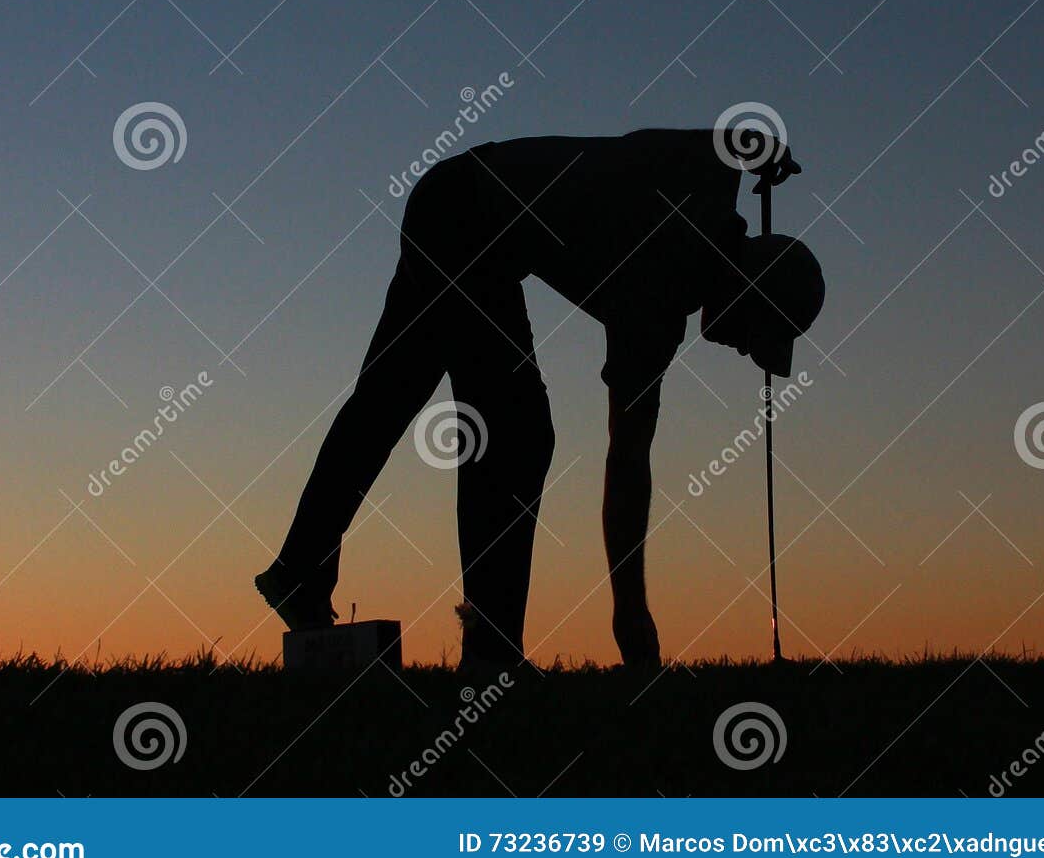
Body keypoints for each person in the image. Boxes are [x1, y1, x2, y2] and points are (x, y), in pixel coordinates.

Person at [255, 126, 824, 667]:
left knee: (388, 398)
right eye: (758, 336)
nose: (749, 353)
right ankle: (490, 649)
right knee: (516, 433)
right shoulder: (654, 302)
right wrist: (630, 611)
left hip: (454, 199)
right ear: (751, 290)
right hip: (467, 220)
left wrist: (760, 146)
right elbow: (627, 463)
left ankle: (299, 571)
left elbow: (722, 142)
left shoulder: (709, 182)